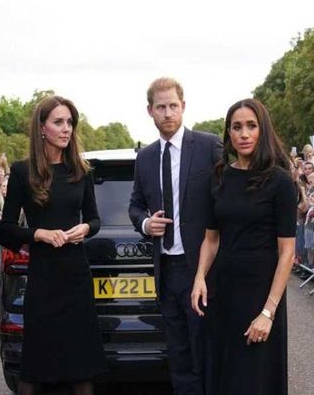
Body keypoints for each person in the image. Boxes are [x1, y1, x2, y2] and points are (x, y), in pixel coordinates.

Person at [0, 95, 104, 395]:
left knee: (81, 368)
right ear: (41, 128)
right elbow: (5, 229)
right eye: (58, 122)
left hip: (76, 277)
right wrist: (38, 234)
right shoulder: (22, 172)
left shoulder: (81, 171)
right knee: (36, 368)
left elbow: (94, 220)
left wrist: (85, 228)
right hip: (44, 280)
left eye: (70, 122)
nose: (66, 128)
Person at [190, 98, 295, 394]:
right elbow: (211, 239)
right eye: (236, 127)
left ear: (263, 131)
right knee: (225, 375)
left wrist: (268, 312)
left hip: (260, 293)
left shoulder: (280, 182)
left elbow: (287, 252)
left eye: (251, 126)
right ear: (228, 134)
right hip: (223, 292)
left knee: (256, 378)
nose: (244, 134)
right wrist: (199, 278)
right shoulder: (220, 176)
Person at [128, 77, 221, 394]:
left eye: (173, 106)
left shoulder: (209, 147)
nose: (167, 113)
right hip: (166, 271)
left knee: (205, 351)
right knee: (179, 355)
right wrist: (144, 224)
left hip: (202, 271)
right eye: (160, 107)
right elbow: (135, 205)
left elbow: (229, 200)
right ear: (150, 111)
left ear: (183, 107)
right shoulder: (145, 157)